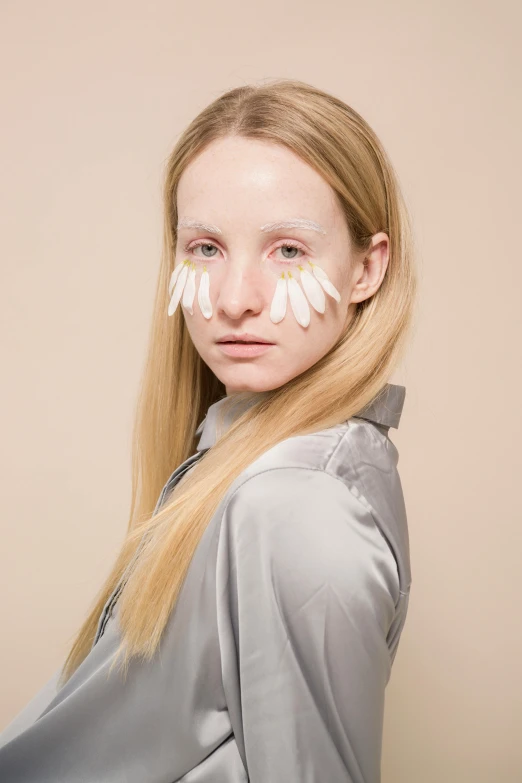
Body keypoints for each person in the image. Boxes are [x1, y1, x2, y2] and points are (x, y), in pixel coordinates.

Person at [0, 78, 416, 782]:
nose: (233, 300)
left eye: (289, 250)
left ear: (366, 270)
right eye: (205, 248)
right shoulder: (246, 463)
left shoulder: (292, 505)